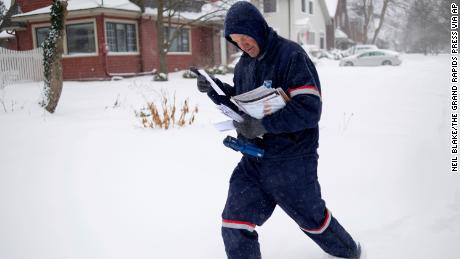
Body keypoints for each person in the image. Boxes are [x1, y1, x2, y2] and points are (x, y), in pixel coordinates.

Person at [195, 2, 362, 259]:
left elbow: (309, 109)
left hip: (292, 161)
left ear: (256, 28)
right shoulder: (244, 65)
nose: (242, 45)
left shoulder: (290, 56)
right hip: (254, 159)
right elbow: (243, 105)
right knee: (234, 221)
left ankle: (349, 251)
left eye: (245, 37)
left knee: (313, 221)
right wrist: (216, 92)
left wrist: (263, 124)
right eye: (236, 41)